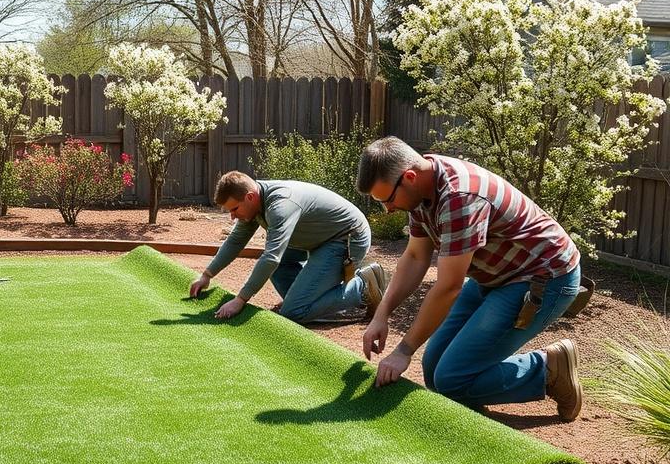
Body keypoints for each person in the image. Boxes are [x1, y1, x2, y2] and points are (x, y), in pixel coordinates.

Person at [355, 136, 584, 421]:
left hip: (543, 278)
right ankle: (478, 389)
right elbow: (415, 257)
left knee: (452, 380)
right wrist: (381, 315)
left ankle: (547, 368)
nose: (387, 209)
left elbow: (449, 287)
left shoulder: (459, 197)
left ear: (410, 177)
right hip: (495, 275)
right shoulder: (422, 191)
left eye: (387, 200)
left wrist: (403, 350)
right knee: (436, 371)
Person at [188, 171, 388, 323]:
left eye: (234, 209)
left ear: (249, 197)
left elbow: (271, 257)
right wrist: (207, 275)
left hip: (346, 239)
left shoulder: (280, 205)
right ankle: (308, 298)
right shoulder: (254, 202)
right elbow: (235, 241)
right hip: (318, 239)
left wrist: (240, 300)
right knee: (292, 291)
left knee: (294, 312)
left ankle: (363, 285)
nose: (232, 216)